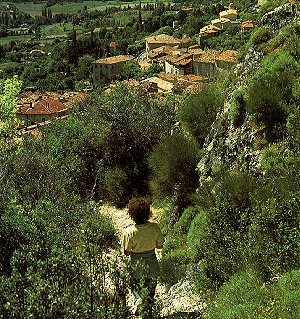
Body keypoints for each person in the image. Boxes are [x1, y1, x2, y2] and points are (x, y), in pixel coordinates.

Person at [122, 198, 164, 316]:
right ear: (148, 213)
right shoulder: (155, 227)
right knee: (151, 288)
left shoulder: (129, 231)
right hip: (152, 263)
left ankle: (138, 299)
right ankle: (148, 307)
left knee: (134, 284)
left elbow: (127, 252)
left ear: (132, 215)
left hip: (136, 264)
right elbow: (160, 246)